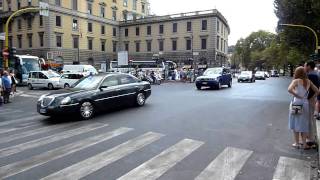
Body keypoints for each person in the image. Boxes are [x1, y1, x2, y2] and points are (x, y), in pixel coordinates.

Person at [288, 67, 319, 150]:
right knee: (303, 123)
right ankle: (305, 144)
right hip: (305, 104)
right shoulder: (309, 81)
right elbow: (317, 91)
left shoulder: (296, 81)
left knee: (296, 123)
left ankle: (297, 143)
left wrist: (297, 96)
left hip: (297, 103)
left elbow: (289, 89)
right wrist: (311, 98)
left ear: (297, 73)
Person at [304, 61, 319, 146]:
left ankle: (310, 138)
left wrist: (308, 98)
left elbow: (314, 89)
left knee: (309, 119)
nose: (304, 67)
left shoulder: (311, 75)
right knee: (310, 118)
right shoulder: (315, 74)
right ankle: (311, 137)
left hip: (310, 100)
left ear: (309, 66)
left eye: (305, 65)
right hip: (312, 99)